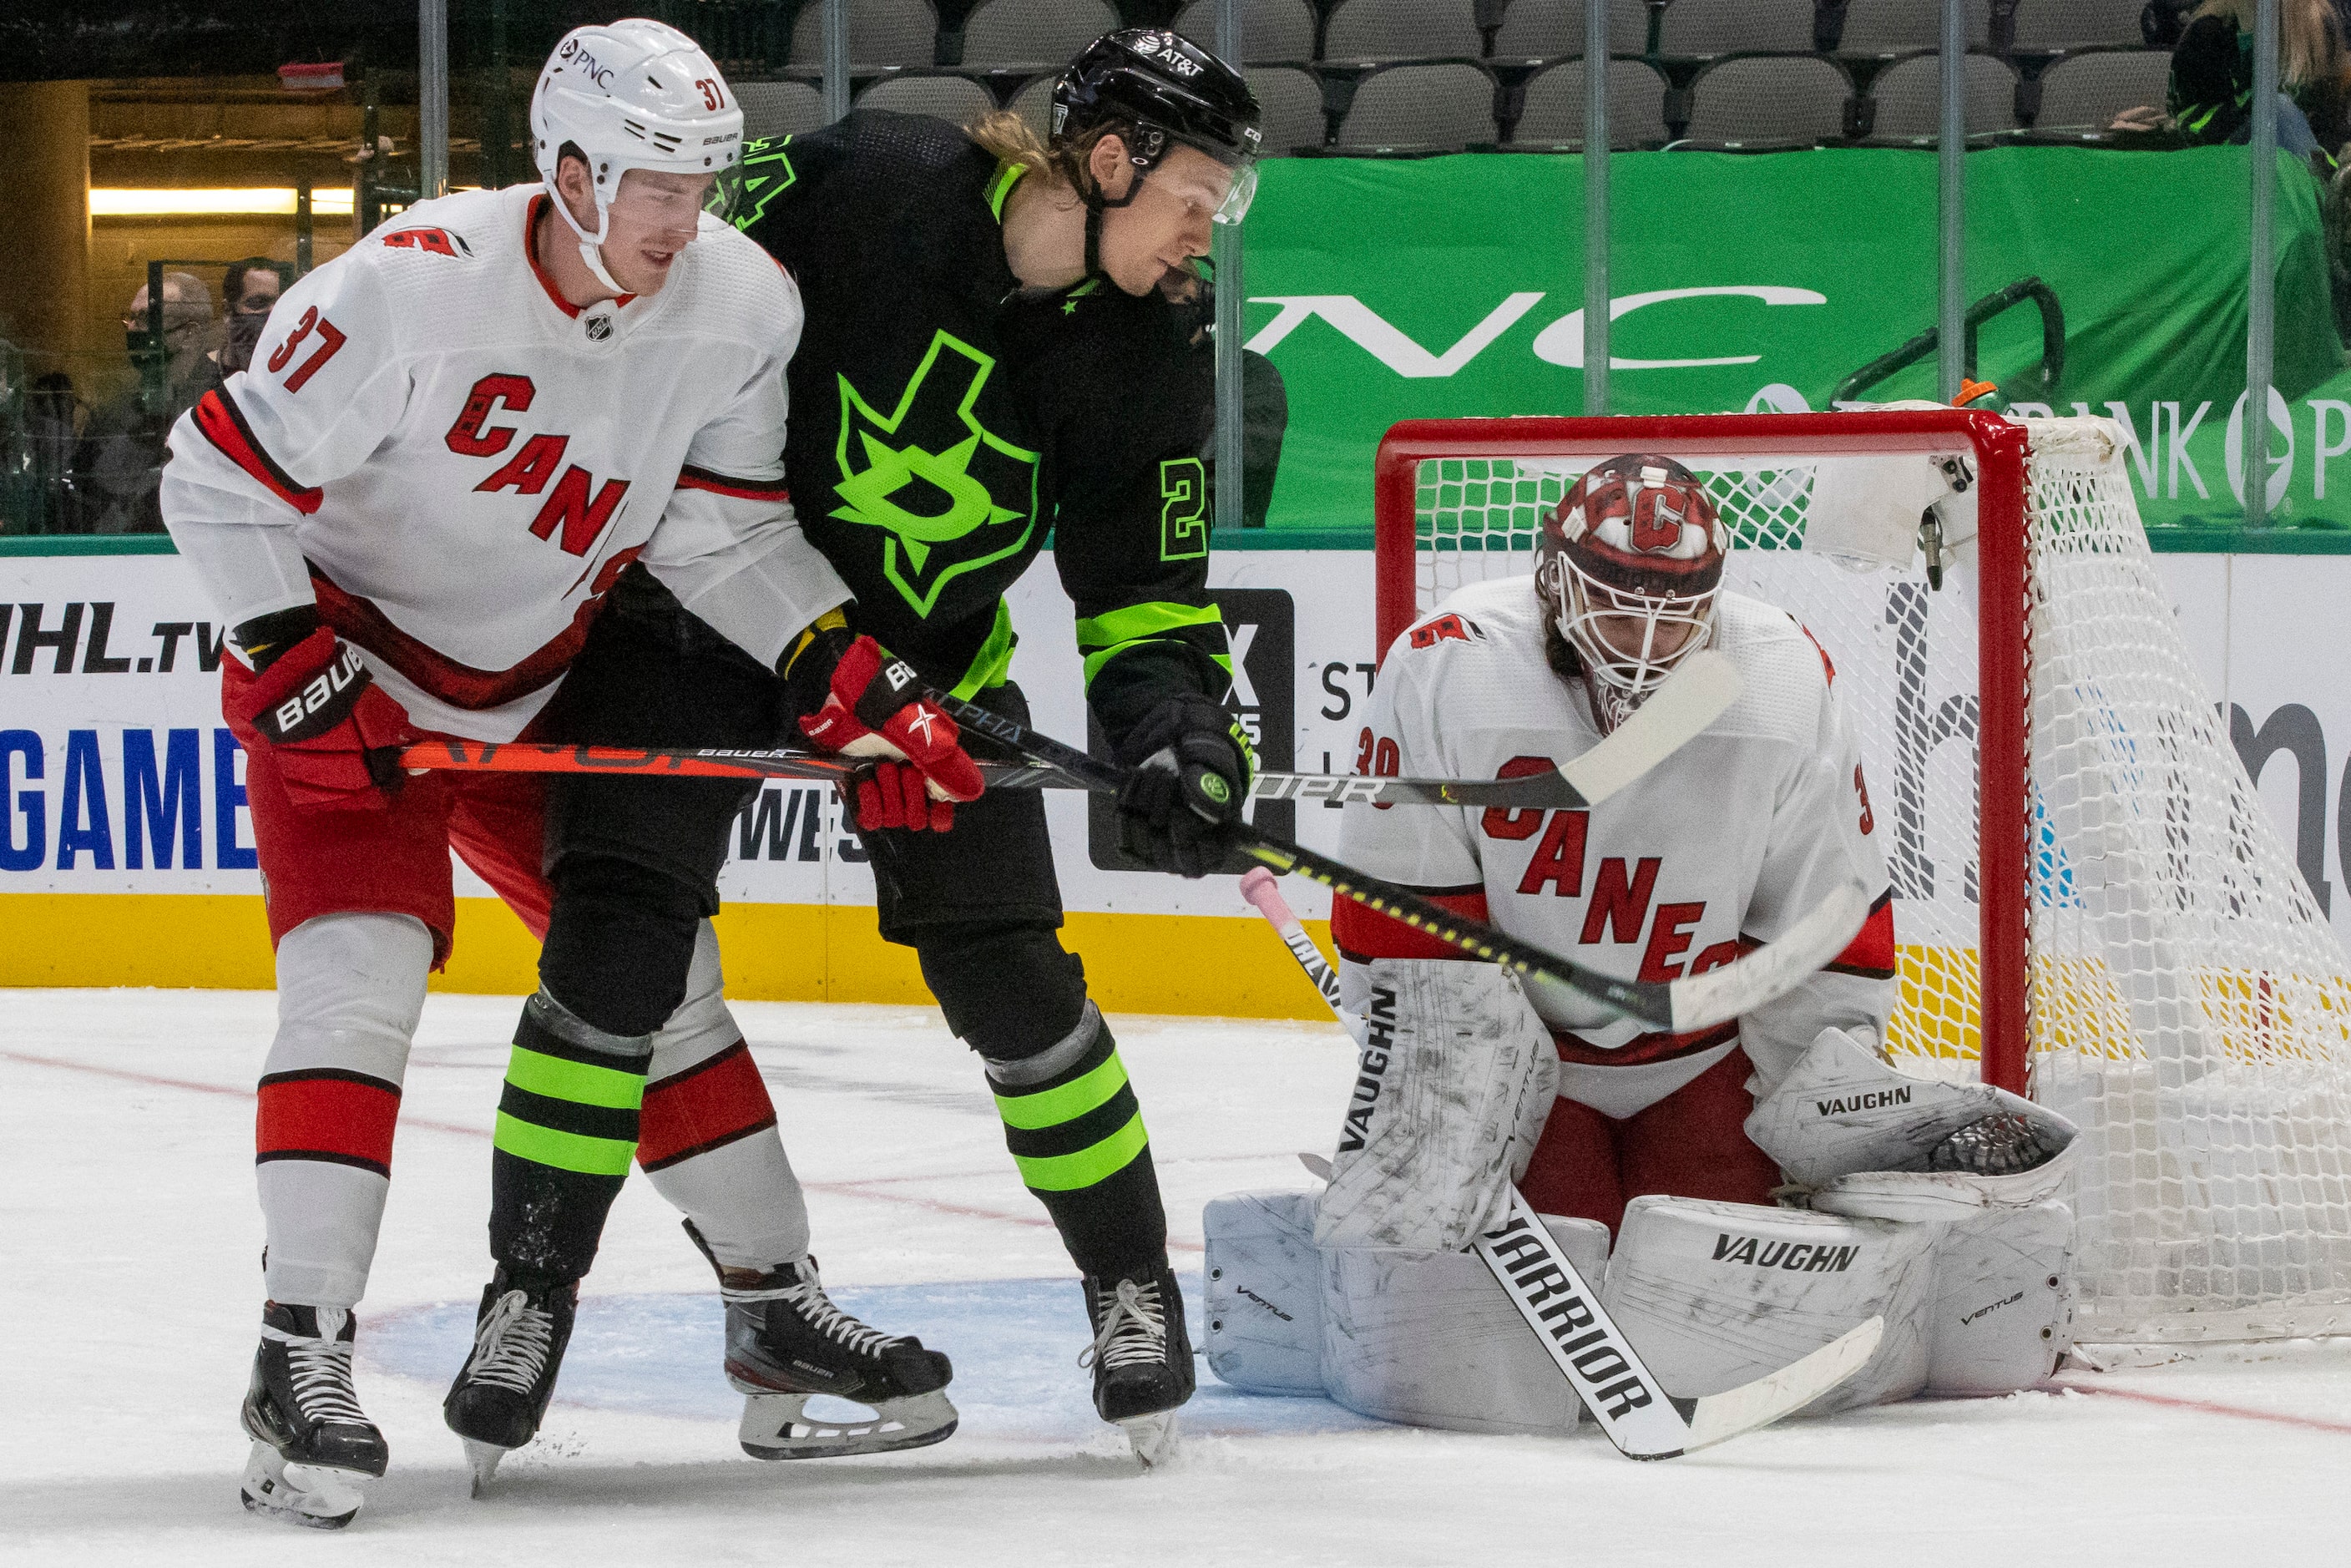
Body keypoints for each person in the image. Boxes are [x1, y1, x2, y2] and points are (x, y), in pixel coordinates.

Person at [159, 18, 964, 1527]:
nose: (685, 218)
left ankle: (773, 1299)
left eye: (705, 183)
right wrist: (286, 648)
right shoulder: (405, 290)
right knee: (357, 979)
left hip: (526, 694)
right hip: (348, 679)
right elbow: (215, 469)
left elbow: (718, 530)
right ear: (571, 168)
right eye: (657, 183)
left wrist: (838, 661)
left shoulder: (743, 303)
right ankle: (299, 1351)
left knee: (660, 973)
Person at [473, 27, 1263, 1462]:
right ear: (1105, 161)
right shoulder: (862, 178)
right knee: (613, 942)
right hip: (700, 605)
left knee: (1015, 978)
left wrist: (1181, 733)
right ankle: (526, 1294)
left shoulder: (1150, 349)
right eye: (1199, 195)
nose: (1211, 231)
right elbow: (648, 263)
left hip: (930, 671)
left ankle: (1132, 1286)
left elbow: (1145, 596)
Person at [1290, 453, 2075, 1430]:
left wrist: (1821, 1104)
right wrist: (1440, 1114)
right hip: (1530, 1062)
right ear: (1554, 580)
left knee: (1715, 1317)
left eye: (1679, 610)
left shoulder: (1779, 677)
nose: (1648, 642)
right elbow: (1403, 919)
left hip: (1705, 1060)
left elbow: (1825, 919)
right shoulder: (1450, 663)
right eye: (1617, 606)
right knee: (1532, 1338)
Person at [78, 271, 213, 534]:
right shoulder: (113, 412)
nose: (132, 328)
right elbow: (88, 498)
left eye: (147, 318)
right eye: (131, 318)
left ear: (189, 335)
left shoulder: (222, 404)